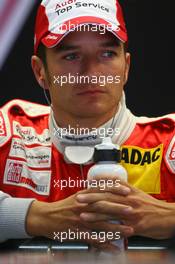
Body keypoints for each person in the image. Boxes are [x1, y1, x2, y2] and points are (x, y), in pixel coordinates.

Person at [1, 0, 175, 249]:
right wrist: (35, 216)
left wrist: (171, 217)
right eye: (72, 56)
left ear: (126, 67)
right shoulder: (10, 133)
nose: (91, 73)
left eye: (106, 54)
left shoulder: (170, 145)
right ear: (40, 72)